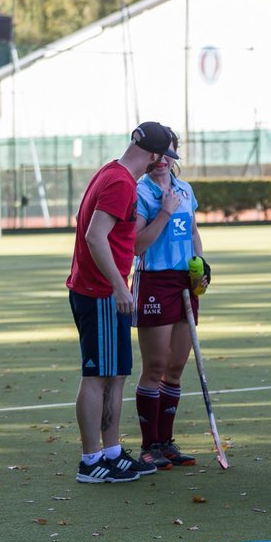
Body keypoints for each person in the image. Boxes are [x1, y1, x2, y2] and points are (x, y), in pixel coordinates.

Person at [67, 121, 177, 484]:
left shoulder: (113, 174)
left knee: (115, 375)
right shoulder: (120, 182)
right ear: (156, 155)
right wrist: (118, 285)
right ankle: (90, 460)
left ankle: (111, 453)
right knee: (98, 377)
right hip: (99, 292)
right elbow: (95, 236)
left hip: (104, 290)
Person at [132, 128, 209, 470]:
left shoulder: (184, 189)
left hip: (184, 281)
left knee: (175, 369)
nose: (163, 160)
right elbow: (136, 244)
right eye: (159, 153)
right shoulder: (139, 192)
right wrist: (163, 212)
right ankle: (149, 446)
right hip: (154, 281)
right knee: (155, 367)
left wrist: (202, 266)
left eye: (169, 154)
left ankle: (166, 442)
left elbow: (193, 232)